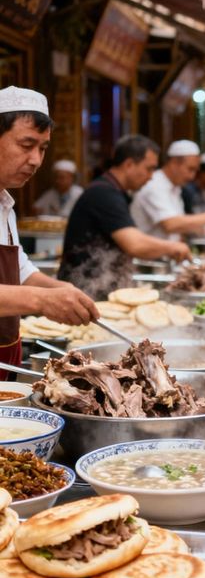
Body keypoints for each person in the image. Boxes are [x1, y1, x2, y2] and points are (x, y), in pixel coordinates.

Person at [0, 87, 98, 379]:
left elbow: (19, 270)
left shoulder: (6, 206)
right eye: (26, 145)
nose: (36, 160)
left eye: (42, 148)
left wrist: (61, 289)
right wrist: (42, 300)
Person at [58, 135, 192, 299]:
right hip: (84, 291)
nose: (151, 176)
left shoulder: (114, 191)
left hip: (97, 288)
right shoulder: (103, 193)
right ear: (129, 164)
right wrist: (173, 247)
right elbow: (135, 244)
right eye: (149, 169)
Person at [130, 140, 205, 241]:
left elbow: (179, 224)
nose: (192, 176)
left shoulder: (175, 187)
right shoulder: (154, 185)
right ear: (174, 163)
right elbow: (171, 224)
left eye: (195, 171)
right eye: (190, 169)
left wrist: (204, 231)